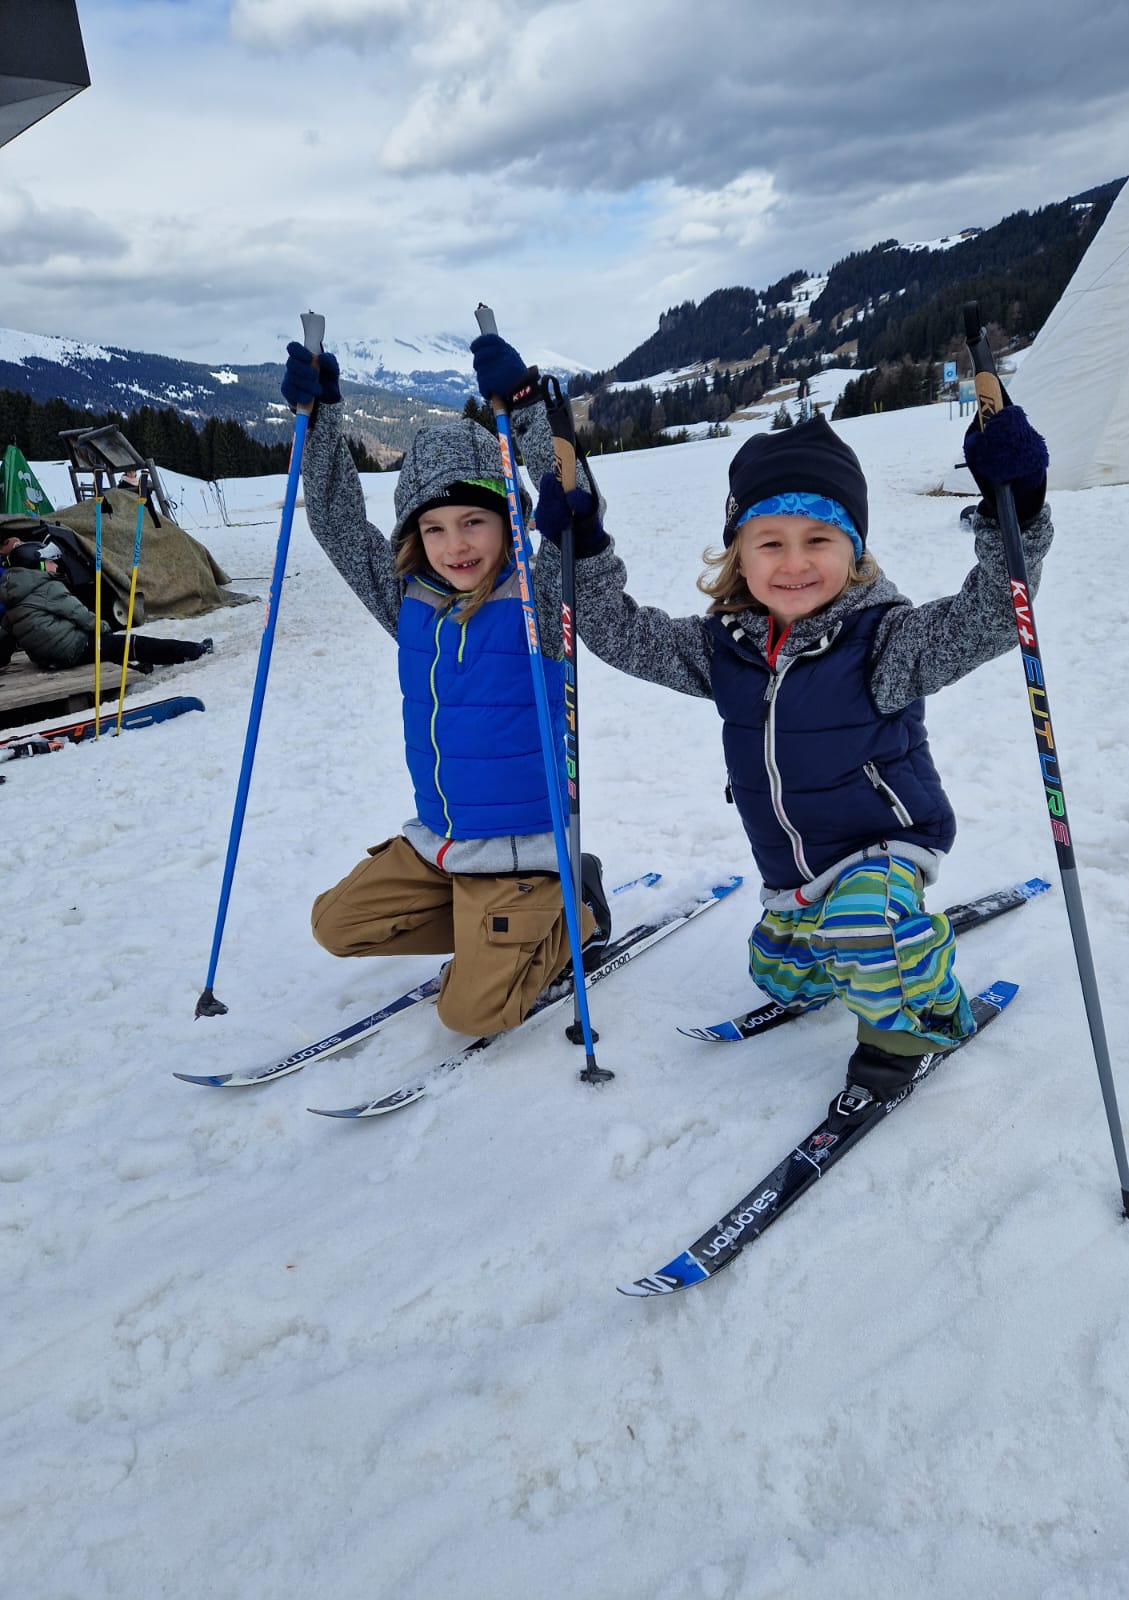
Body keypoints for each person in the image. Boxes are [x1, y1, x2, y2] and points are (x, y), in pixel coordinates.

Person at [472, 335, 1052, 1106]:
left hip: (882, 848)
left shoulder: (885, 641)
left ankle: (916, 1018)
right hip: (793, 877)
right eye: (769, 542)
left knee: (867, 934)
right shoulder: (727, 652)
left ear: (855, 551)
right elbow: (611, 629)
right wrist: (581, 542)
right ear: (738, 555)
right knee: (776, 968)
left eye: (821, 540)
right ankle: (836, 958)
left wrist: (1021, 510)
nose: (795, 561)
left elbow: (989, 617)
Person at [279, 340, 611, 1039]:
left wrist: (524, 407)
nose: (454, 545)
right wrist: (321, 419)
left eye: (473, 522)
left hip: (519, 854)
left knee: (469, 1014)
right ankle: (493, 931)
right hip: (443, 844)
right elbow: (337, 522)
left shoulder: (541, 595)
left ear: (508, 520)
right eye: (433, 528)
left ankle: (573, 913)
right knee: (335, 924)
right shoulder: (409, 600)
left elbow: (573, 496)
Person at [0, 543, 212, 671]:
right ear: (36, 565)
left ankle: (137, 666)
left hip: (46, 659)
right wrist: (104, 629)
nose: (56, 565)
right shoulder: (46, 587)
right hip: (70, 650)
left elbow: (6, 633)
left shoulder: (14, 594)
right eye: (50, 561)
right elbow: (80, 615)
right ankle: (192, 651)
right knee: (131, 643)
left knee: (108, 647)